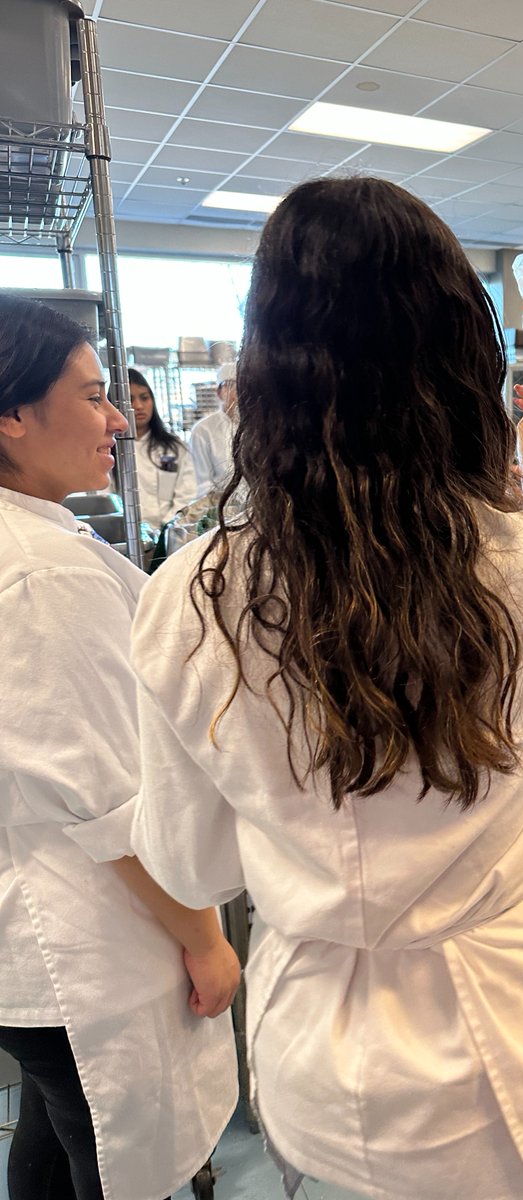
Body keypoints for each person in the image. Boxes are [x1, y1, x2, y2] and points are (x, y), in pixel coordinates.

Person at [128, 176, 523, 1200]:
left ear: (264, 374)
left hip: (313, 1049)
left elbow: (189, 861)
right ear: (459, 367)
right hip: (499, 1063)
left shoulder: (193, 594)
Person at [0, 293, 240, 1200]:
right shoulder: (38, 574)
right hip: (79, 940)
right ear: (13, 417)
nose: (117, 419)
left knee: (55, 1142)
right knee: (104, 1156)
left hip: (35, 942)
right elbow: (107, 802)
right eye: (95, 396)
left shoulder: (34, 540)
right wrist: (204, 938)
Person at [126, 367, 196, 528]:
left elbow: (186, 493)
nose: (138, 406)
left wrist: (166, 527)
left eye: (144, 398)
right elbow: (109, 497)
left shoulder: (171, 448)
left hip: (170, 530)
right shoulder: (110, 450)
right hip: (127, 533)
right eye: (129, 400)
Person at [190, 361, 237, 497]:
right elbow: (202, 483)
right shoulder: (203, 430)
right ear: (219, 393)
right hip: (221, 509)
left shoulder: (256, 427)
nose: (238, 392)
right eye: (231, 386)